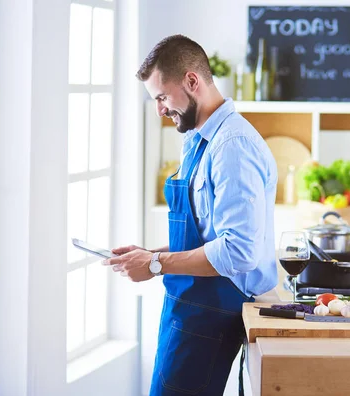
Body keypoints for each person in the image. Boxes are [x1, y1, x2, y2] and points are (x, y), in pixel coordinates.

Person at [103, 34, 278, 395]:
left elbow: (237, 251)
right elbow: (206, 234)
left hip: (213, 308)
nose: (160, 110)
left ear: (192, 82)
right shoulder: (199, 139)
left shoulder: (232, 146)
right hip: (189, 304)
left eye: (162, 97)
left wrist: (155, 264)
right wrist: (148, 254)